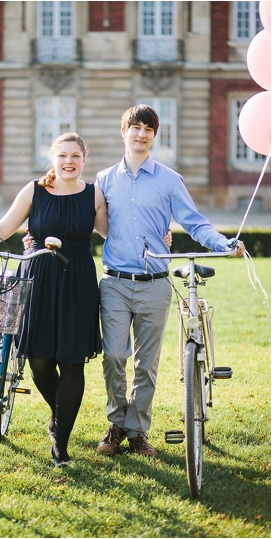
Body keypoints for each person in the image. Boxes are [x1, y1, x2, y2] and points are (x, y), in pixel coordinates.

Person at [94, 104, 245, 457]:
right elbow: (83, 218)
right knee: (114, 357)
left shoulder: (169, 180)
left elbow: (195, 223)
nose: (142, 134)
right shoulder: (103, 180)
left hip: (155, 284)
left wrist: (224, 243)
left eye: (149, 129)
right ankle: (116, 423)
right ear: (124, 132)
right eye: (136, 127)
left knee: (146, 364)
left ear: (154, 136)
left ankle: (136, 432)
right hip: (114, 283)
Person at [0, 133, 107, 467]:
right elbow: (4, 228)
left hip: (77, 280)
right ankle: (59, 414)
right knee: (40, 361)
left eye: (76, 156)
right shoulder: (34, 190)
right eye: (63, 155)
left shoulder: (94, 195)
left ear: (84, 159)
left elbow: (114, 234)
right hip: (38, 279)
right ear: (53, 158)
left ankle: (60, 443)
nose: (69, 162)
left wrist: (158, 235)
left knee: (73, 362)